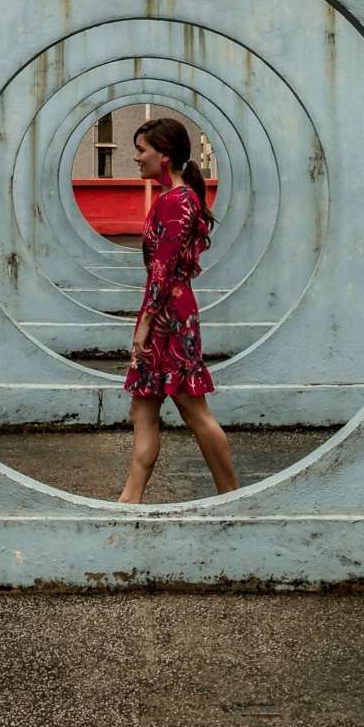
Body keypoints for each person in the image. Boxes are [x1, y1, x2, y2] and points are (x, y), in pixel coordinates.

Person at [120, 116, 238, 504]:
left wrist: (144, 327)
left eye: (142, 150)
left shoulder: (176, 202)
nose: (136, 158)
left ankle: (232, 497)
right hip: (168, 311)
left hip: (167, 317)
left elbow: (162, 270)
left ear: (164, 156)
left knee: (192, 409)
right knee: (143, 410)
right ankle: (129, 501)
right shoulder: (180, 198)